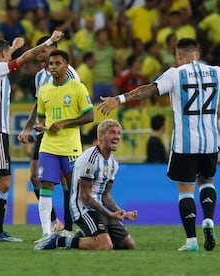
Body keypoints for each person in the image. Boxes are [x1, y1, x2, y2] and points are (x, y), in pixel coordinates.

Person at [98, 38, 220, 252]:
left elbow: (149, 90)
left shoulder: (174, 74)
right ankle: (208, 220)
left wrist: (119, 99)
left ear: (179, 56)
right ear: (197, 54)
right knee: (207, 182)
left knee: (186, 190)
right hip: (210, 142)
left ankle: (191, 240)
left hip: (184, 144)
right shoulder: (217, 72)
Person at [0, 30, 64, 243]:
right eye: (8, 54)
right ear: (3, 55)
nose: (11, 58)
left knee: (2, 182)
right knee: (4, 184)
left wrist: (12, 46)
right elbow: (24, 59)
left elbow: (5, 56)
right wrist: (49, 41)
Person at [34, 119, 137, 251]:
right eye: (112, 133)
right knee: (105, 246)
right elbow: (85, 196)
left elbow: (106, 195)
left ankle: (85, 236)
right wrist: (109, 214)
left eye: (118, 133)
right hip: (83, 209)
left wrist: (120, 212)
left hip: (99, 208)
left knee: (128, 245)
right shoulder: (90, 159)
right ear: (101, 136)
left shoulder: (113, 162)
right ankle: (60, 240)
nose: (117, 136)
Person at [18, 35, 82, 237]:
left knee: (67, 182)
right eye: (37, 52)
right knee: (35, 176)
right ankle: (54, 222)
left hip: (65, 135)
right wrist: (28, 127)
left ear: (54, 49)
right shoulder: (39, 77)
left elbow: (75, 103)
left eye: (43, 51)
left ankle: (70, 227)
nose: (39, 56)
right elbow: (39, 104)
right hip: (45, 133)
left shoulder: (70, 75)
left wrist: (63, 123)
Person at [33, 49, 94, 244]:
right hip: (48, 146)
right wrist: (39, 124)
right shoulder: (44, 90)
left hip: (71, 147)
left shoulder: (77, 88)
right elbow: (41, 115)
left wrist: (64, 123)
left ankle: (80, 228)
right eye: (51, 64)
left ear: (66, 66)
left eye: (57, 63)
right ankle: (46, 234)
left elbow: (89, 116)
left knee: (76, 189)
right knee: (45, 186)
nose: (53, 67)